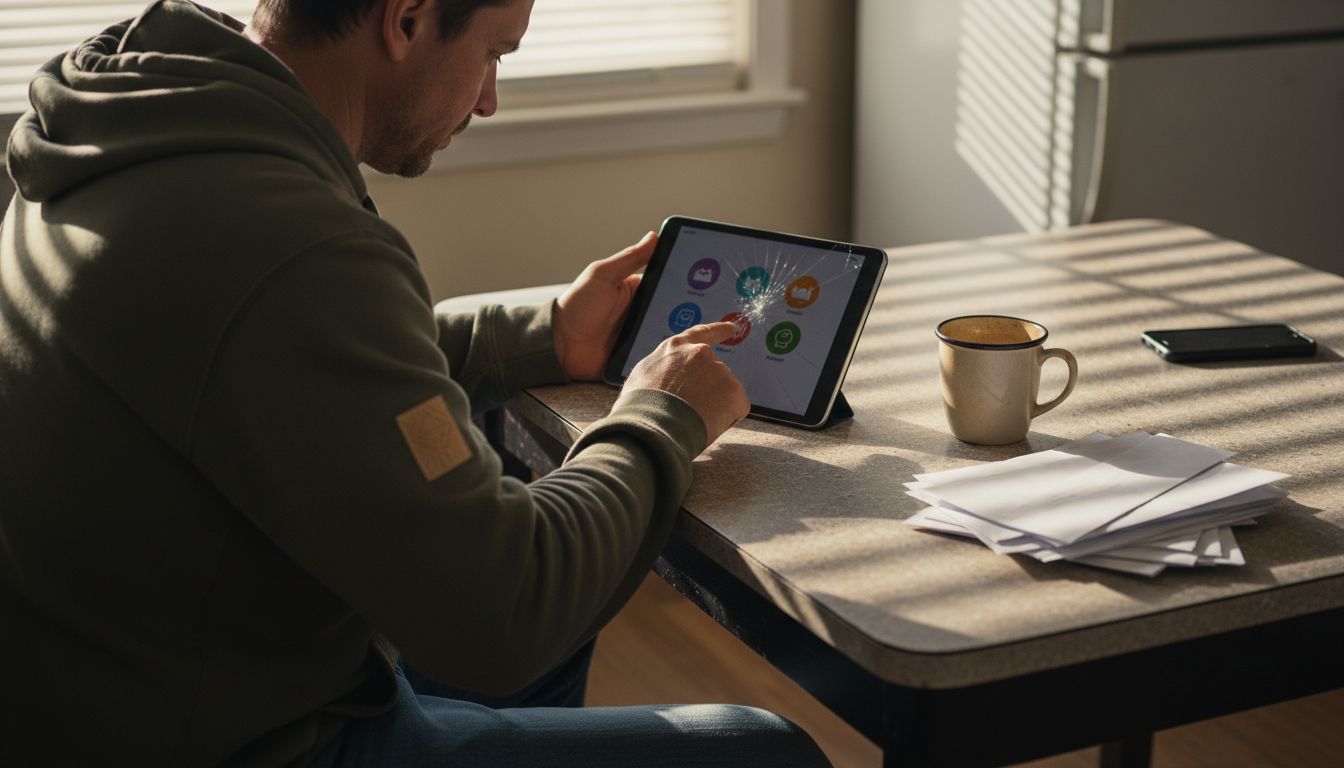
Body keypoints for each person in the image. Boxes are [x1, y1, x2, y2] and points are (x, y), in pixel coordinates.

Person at [0, 0, 836, 766]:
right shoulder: (295, 245)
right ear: (405, 18)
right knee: (762, 749)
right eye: (492, 55)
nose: (488, 101)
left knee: (538, 534)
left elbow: (294, 360)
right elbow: (506, 615)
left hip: (108, 691)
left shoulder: (147, 123)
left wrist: (544, 334)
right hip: (245, 742)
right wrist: (661, 417)